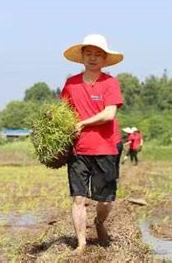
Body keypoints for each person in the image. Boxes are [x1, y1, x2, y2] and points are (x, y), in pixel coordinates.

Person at [60, 34, 124, 254]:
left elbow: (109, 114)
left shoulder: (110, 83)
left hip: (106, 147)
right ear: (82, 57)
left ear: (104, 59)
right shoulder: (71, 84)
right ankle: (81, 244)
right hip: (78, 150)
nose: (93, 58)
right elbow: (63, 115)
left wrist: (82, 123)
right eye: (89, 54)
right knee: (79, 198)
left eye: (98, 54)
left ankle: (99, 222)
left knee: (105, 200)